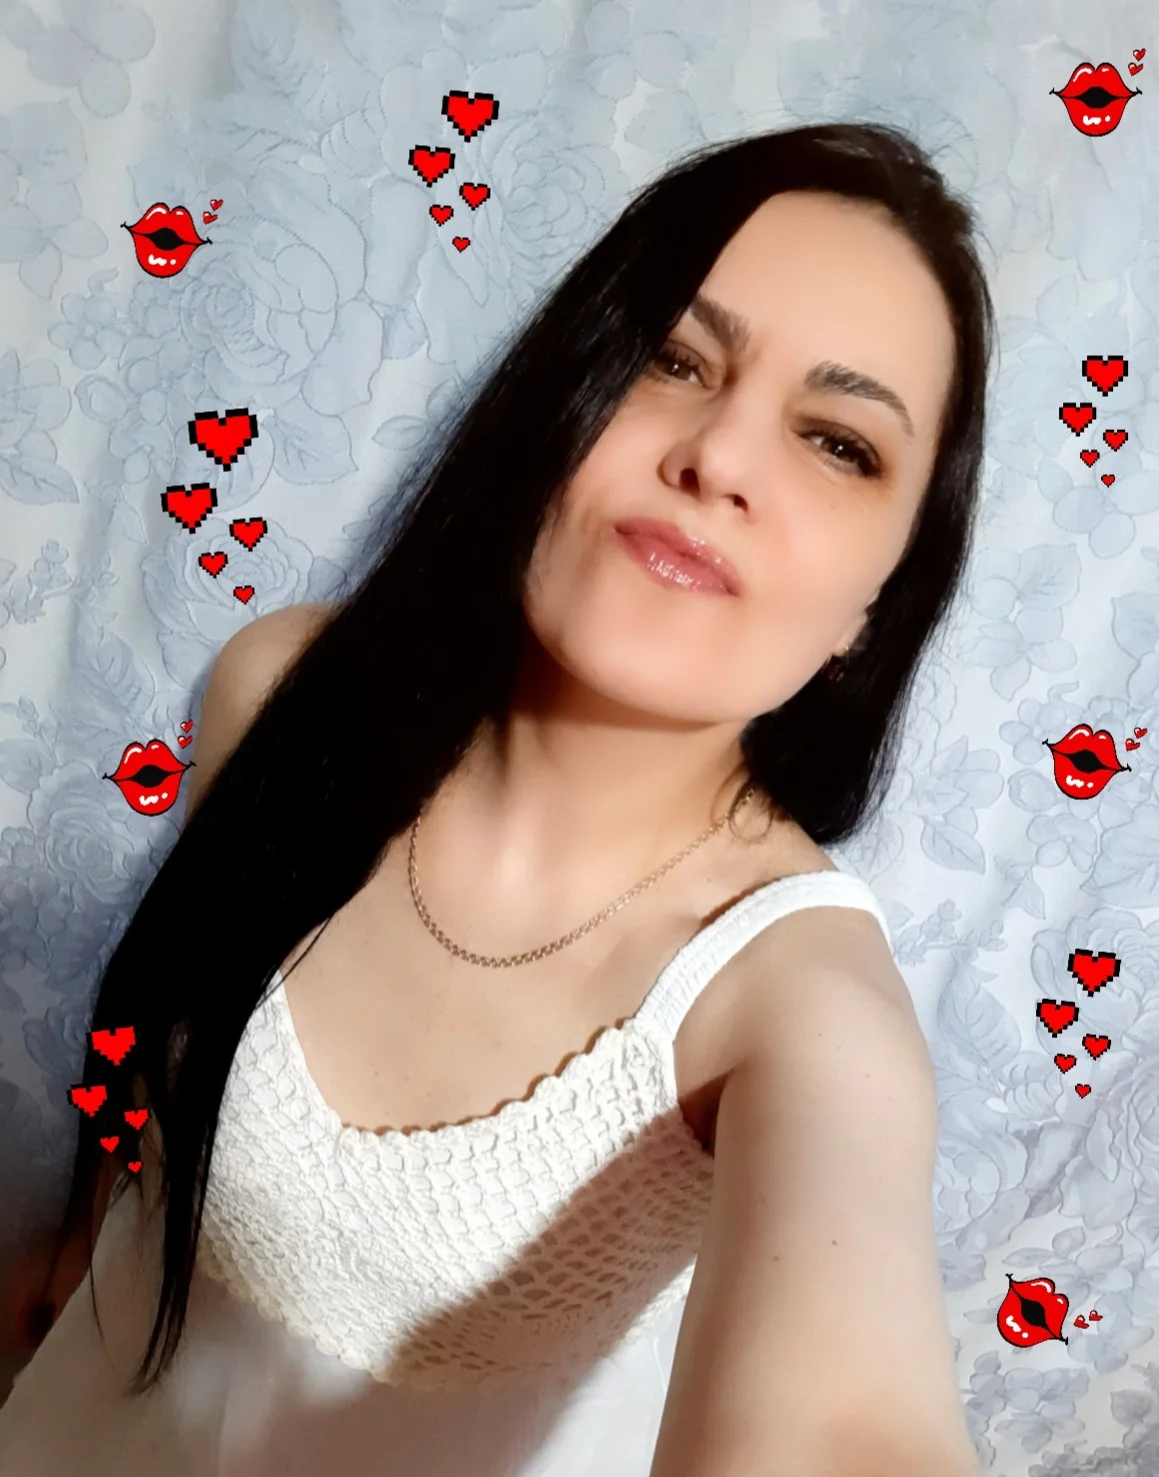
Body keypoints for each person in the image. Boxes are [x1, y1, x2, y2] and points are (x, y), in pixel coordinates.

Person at [0, 121, 994, 1475]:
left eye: (835, 441)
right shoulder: (279, 691)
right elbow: (175, 1013)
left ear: (875, 604)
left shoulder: (792, 1011)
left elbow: (846, 1422)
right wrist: (83, 1236)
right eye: (671, 360)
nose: (717, 458)